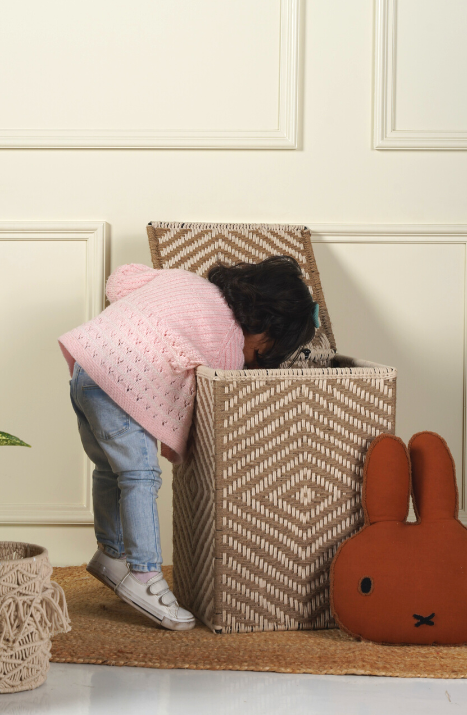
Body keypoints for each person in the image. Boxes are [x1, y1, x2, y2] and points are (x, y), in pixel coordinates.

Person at [59, 256, 318, 630]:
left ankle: (111, 553)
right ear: (265, 329)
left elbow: (121, 282)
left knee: (108, 469)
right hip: (119, 382)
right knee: (140, 477)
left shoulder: (184, 280)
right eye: (265, 351)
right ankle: (145, 576)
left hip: (87, 366)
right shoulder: (229, 342)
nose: (258, 359)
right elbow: (215, 403)